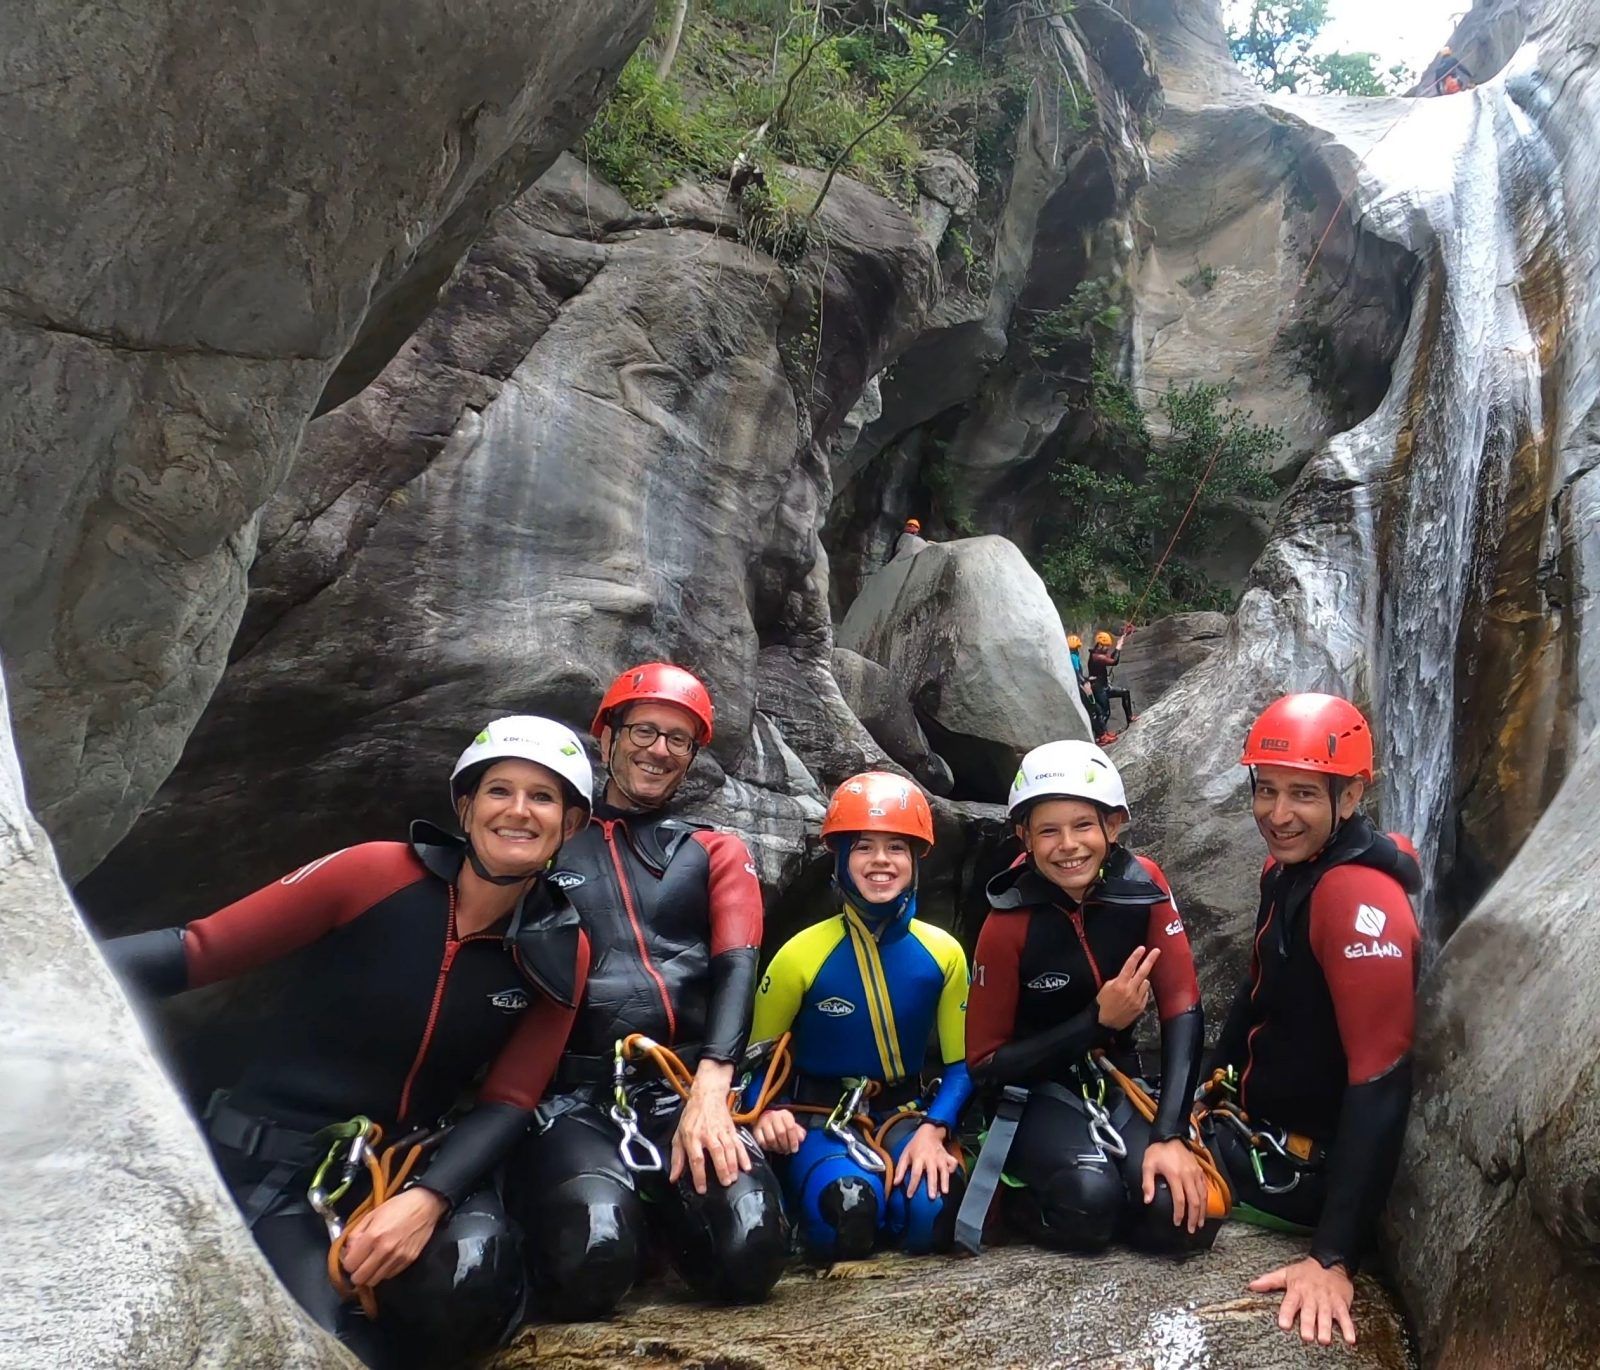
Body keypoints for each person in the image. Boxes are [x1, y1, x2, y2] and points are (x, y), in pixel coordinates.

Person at [101, 717, 596, 1368]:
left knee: (466, 1282)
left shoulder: (561, 948)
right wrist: (33, 965)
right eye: (499, 790)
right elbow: (196, 951)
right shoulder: (375, 874)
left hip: (383, 1176)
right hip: (262, 1160)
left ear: (570, 824)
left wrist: (428, 1199)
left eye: (543, 798)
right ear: (465, 806)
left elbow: (509, 1100)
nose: (519, 811)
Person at [507, 663, 787, 1318]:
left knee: (753, 1249)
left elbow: (737, 966)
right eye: (644, 731)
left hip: (681, 1087)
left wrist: (711, 1092)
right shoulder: (544, 845)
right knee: (593, 1258)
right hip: (573, 1096)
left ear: (690, 757)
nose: (659, 750)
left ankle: (662, 1217)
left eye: (678, 739)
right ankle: (623, 1213)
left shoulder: (713, 849)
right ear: (606, 737)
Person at [1201, 693, 1420, 1347]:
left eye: (1302, 794)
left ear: (1349, 797)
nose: (1277, 814)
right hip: (1259, 1124)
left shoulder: (1355, 897)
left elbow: (1383, 1080)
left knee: (1129, 1183)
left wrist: (1332, 1258)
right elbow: (1256, 992)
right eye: (1266, 790)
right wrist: (1202, 1090)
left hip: (1302, 1168)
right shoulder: (1288, 869)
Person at [956, 740, 1216, 1258]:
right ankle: (1022, 1202)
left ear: (1112, 826)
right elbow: (985, 1064)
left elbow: (1182, 1008)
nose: (1068, 845)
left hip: (1116, 1080)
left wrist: (1170, 1134)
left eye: (1083, 826)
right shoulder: (1008, 921)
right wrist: (1097, 1022)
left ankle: (1124, 1192)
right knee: (1088, 1205)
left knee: (1183, 1215)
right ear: (1024, 836)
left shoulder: (1143, 886)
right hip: (1035, 1092)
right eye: (1048, 831)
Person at [743, 771, 972, 1262]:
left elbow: (961, 1064)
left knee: (934, 1216)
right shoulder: (800, 955)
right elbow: (756, 1060)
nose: (881, 860)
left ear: (915, 861)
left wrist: (935, 1129)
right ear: (841, 859)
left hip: (907, 1114)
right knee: (848, 1212)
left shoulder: (944, 953)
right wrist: (767, 1110)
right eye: (864, 847)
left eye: (896, 848)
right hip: (821, 1117)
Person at [1088, 629, 1137, 742]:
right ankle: (1100, 736)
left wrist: (1119, 643)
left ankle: (1129, 717)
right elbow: (1114, 661)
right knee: (1105, 712)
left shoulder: (1099, 654)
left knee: (1125, 692)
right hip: (1099, 689)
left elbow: (1110, 658)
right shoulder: (1096, 657)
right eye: (1106, 646)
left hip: (1104, 687)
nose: (1107, 648)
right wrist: (1118, 647)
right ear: (1100, 645)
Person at [1067, 632, 1109, 738]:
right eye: (1077, 648)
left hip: (1079, 685)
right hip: (1081, 687)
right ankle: (1101, 735)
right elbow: (1077, 673)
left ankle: (1102, 734)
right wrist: (1085, 681)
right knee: (1094, 710)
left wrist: (1087, 678)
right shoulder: (1073, 657)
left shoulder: (1071, 656)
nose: (1078, 650)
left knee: (1095, 710)